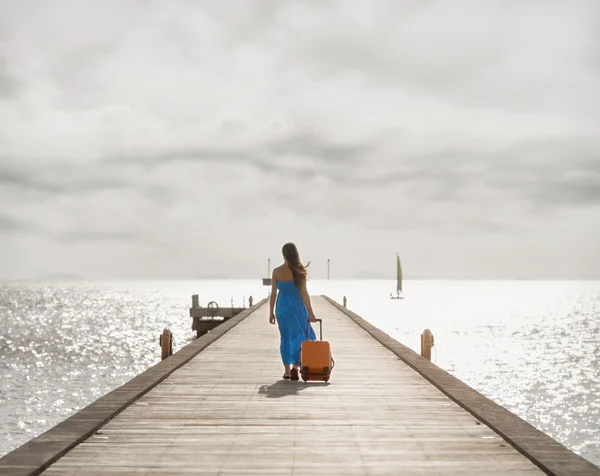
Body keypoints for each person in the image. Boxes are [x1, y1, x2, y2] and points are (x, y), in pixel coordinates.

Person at [269, 242, 317, 380]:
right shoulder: (299, 271)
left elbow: (273, 295)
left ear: (283, 255)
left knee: (285, 338)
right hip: (297, 307)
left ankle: (287, 371)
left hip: (282, 308)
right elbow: (304, 293)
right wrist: (311, 312)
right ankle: (295, 367)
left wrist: (271, 313)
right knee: (300, 337)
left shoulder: (276, 271)